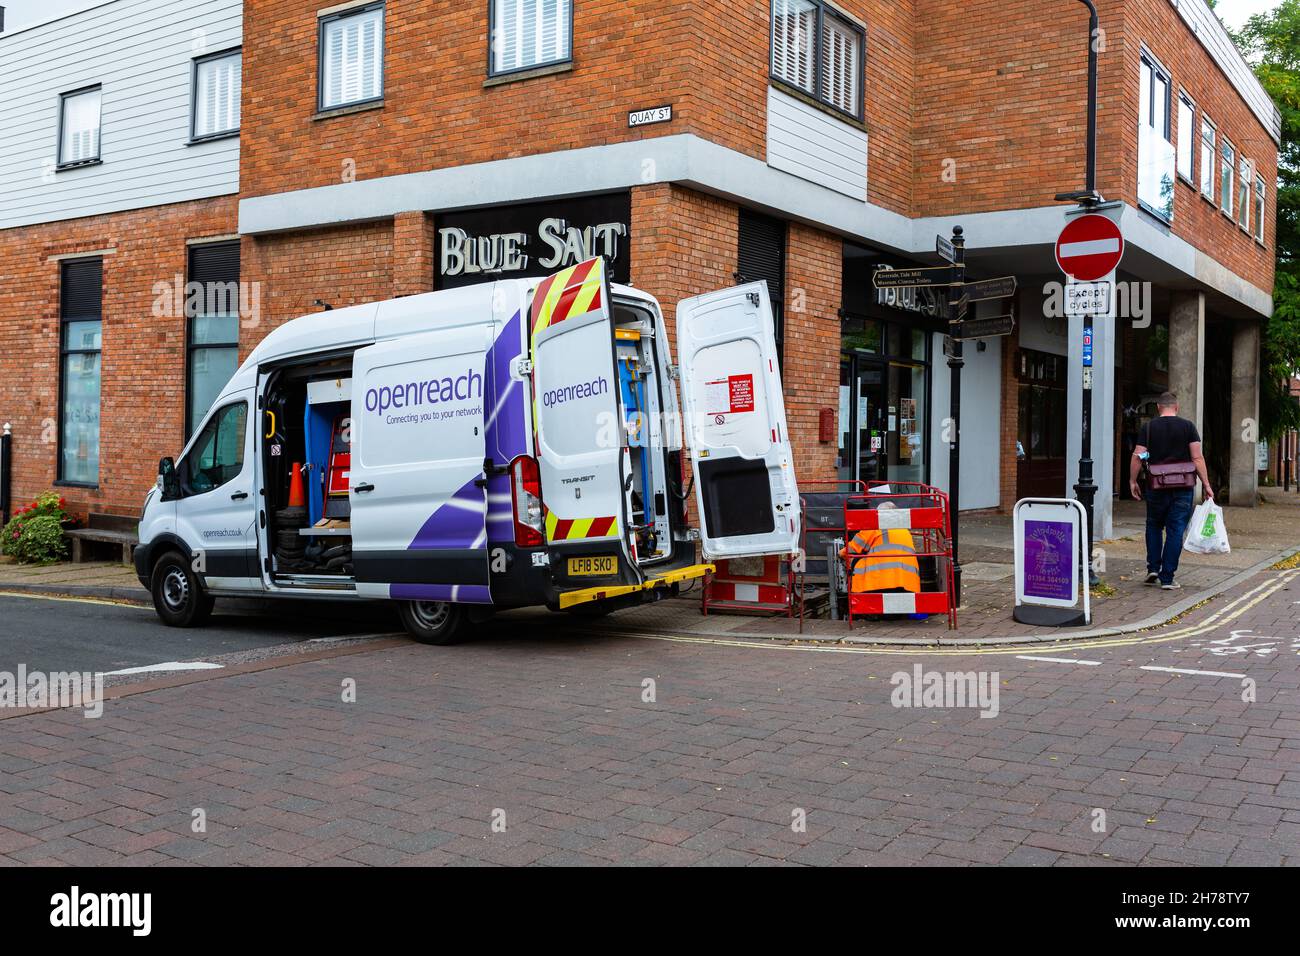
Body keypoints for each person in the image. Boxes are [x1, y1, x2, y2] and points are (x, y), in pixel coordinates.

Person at [1129, 392, 1213, 590]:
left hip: (1156, 486)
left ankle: (1153, 568)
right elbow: (1197, 458)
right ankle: (1167, 578)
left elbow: (1138, 456)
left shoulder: (1148, 427)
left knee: (1154, 525)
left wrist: (1133, 481)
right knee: (1175, 530)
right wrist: (1207, 484)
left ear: (1159, 407)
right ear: (1176, 407)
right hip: (1183, 488)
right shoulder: (1188, 427)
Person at [841, 501, 921, 594]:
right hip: (909, 583)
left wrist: (840, 553)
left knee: (856, 561)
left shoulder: (876, 525)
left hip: (881, 582)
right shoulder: (905, 530)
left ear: (880, 514)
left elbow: (854, 547)